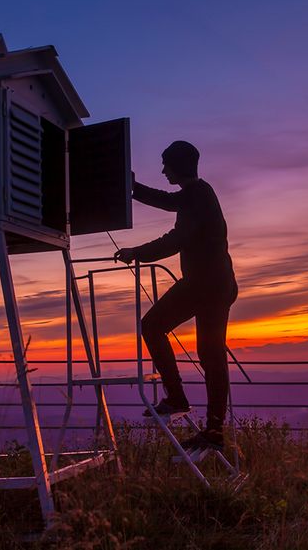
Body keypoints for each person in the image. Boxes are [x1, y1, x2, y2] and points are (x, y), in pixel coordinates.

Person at [114, 140, 237, 451]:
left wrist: (136, 253)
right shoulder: (198, 193)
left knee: (157, 328)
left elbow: (175, 240)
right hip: (213, 284)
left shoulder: (197, 195)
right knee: (208, 352)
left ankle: (185, 405)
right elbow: (170, 202)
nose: (163, 171)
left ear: (178, 166)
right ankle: (208, 423)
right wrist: (134, 188)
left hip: (206, 286)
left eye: (166, 165)